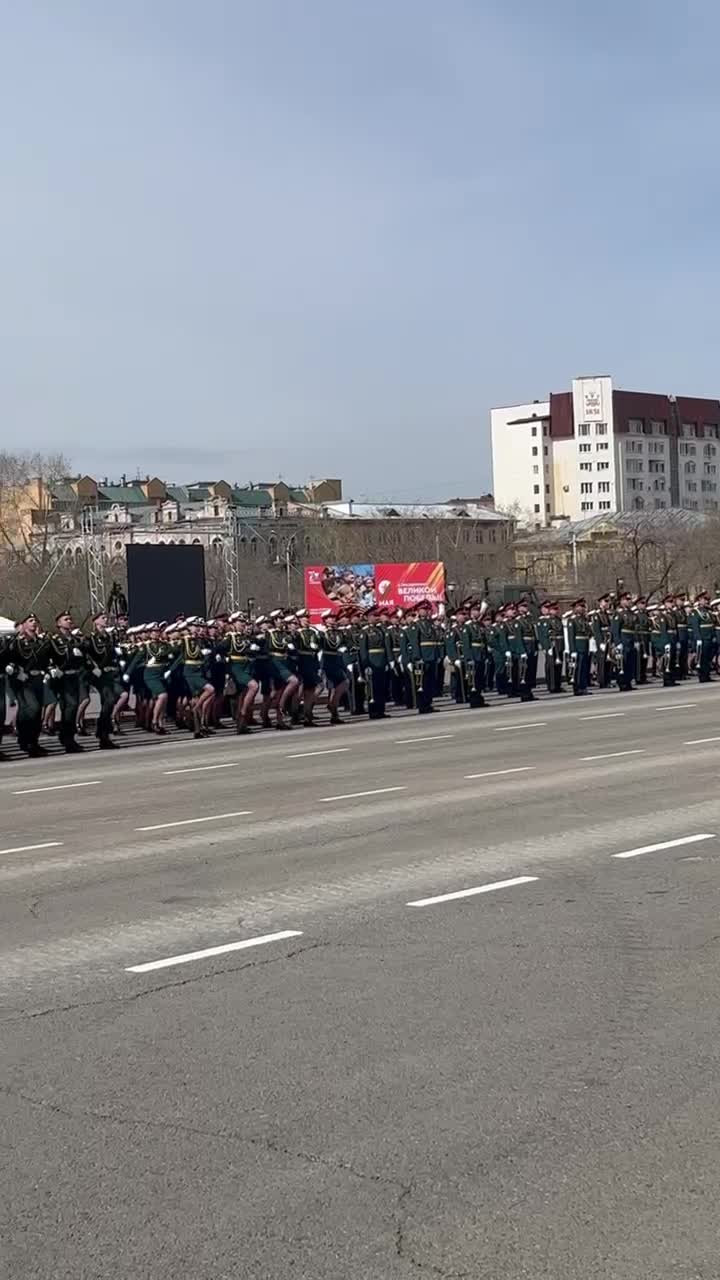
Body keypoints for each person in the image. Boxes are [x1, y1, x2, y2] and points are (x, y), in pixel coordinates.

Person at [6, 614, 49, 756]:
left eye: (35, 621)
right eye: (30, 621)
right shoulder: (16, 642)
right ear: (23, 625)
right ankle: (27, 740)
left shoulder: (40, 642)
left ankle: (33, 742)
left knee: (36, 712)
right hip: (24, 680)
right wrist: (18, 672)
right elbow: (9, 660)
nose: (34, 623)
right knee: (33, 708)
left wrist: (49, 670)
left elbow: (46, 659)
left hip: (38, 679)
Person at [47, 610, 84, 752]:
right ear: (59, 623)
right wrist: (52, 668)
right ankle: (68, 739)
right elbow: (46, 656)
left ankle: (67, 737)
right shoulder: (55, 640)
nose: (69, 621)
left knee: (71, 708)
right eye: (66, 619)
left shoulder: (75, 640)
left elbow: (82, 659)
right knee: (70, 706)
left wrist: (79, 654)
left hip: (74, 676)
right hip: (62, 678)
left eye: (70, 618)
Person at [359, 605, 391, 719]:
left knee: (381, 687)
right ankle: (373, 712)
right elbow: (363, 651)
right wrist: (366, 665)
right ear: (368, 618)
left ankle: (381, 710)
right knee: (372, 688)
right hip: (372, 662)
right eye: (374, 616)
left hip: (381, 661)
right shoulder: (365, 632)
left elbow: (386, 647)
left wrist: (387, 661)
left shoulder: (381, 630)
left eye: (377, 615)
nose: (376, 618)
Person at [611, 590, 636, 691]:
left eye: (630, 599)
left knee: (630, 662)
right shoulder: (619, 614)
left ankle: (628, 681)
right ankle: (622, 683)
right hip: (623, 640)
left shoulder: (631, 613)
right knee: (622, 662)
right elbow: (615, 630)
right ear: (622, 601)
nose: (630, 601)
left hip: (630, 640)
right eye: (627, 599)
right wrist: (618, 643)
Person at [566, 598, 591, 695]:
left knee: (584, 668)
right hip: (577, 646)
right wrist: (573, 650)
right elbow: (570, 636)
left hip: (585, 646)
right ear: (576, 607)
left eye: (583, 607)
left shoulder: (584, 619)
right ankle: (577, 688)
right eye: (581, 606)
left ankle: (583, 686)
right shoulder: (572, 620)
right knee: (578, 668)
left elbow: (588, 633)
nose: (583, 608)